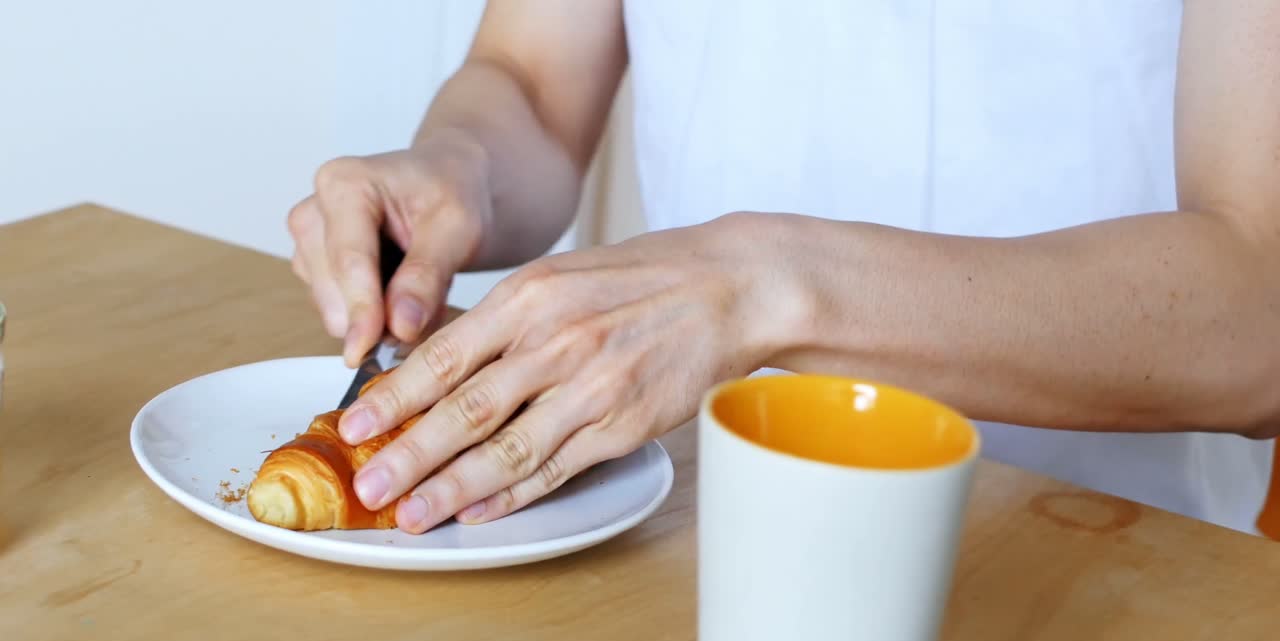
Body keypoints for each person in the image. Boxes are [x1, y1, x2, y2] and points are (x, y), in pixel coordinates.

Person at [286, 1, 1280, 537]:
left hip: (1111, 555)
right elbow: (533, 82)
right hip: (699, 536)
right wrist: (456, 161)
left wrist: (762, 285)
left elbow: (1258, 311)